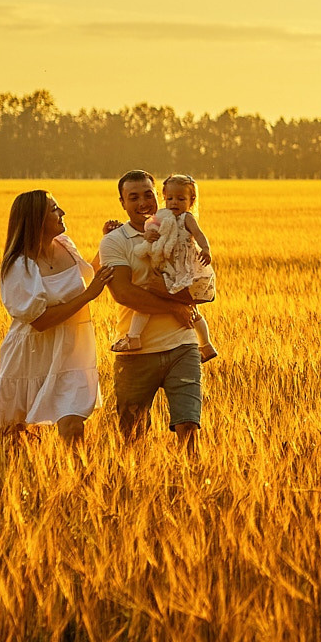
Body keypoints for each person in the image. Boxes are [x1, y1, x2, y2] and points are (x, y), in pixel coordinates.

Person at [0, 190, 118, 444]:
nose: (62, 212)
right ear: (36, 220)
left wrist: (106, 244)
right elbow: (40, 321)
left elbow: (87, 278)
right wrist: (88, 296)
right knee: (16, 437)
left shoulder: (65, 244)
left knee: (74, 424)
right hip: (32, 354)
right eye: (54, 209)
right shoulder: (18, 266)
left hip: (73, 349)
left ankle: (77, 480)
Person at [99, 169, 207, 449]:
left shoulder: (181, 233)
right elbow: (123, 293)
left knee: (189, 425)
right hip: (135, 353)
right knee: (133, 437)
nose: (143, 202)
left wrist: (177, 298)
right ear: (122, 202)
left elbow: (200, 287)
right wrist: (175, 307)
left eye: (148, 194)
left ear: (157, 196)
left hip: (182, 345)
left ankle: (192, 485)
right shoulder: (114, 242)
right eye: (133, 197)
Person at [111, 173, 218, 363]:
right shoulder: (162, 216)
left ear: (191, 201)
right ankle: (135, 337)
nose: (174, 202)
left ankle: (206, 344)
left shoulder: (187, 218)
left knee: (186, 305)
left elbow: (200, 235)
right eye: (169, 198)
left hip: (181, 267)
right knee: (157, 299)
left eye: (180, 199)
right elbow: (151, 232)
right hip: (168, 265)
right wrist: (148, 237)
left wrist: (206, 249)